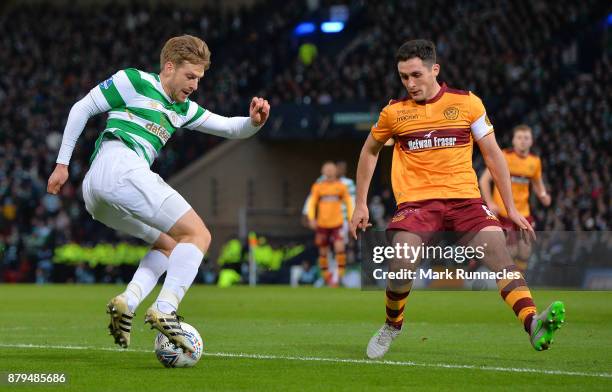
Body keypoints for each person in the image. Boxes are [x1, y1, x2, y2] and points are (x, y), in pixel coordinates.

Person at [47, 35, 270, 352]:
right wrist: (61, 163)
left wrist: (254, 122)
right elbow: (82, 108)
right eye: (190, 76)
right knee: (198, 235)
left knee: (168, 243)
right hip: (119, 167)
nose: (194, 85)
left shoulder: (182, 108)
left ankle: (128, 300)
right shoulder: (134, 80)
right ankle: (166, 309)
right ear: (169, 67)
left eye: (199, 78)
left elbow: (230, 128)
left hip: (99, 192)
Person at [349, 39, 564, 359]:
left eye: (416, 75)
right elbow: (370, 150)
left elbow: (493, 155)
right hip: (417, 204)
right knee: (401, 262)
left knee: (499, 254)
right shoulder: (394, 113)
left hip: (465, 200)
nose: (410, 83)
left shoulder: (468, 104)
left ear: (435, 69)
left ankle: (533, 323)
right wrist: (361, 203)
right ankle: (393, 324)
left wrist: (512, 208)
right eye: (404, 77)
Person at [479, 124, 551, 272]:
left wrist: (543, 195)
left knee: (525, 252)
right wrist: (490, 203)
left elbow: (537, 182)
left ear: (531, 141)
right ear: (513, 140)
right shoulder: (504, 156)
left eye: (526, 138)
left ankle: (518, 285)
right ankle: (512, 285)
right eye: (519, 137)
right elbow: (484, 180)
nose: (523, 141)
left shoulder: (535, 161)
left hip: (523, 213)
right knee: (511, 252)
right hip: (504, 213)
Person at [307, 162, 354, 285]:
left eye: (331, 169)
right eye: (326, 169)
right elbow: (311, 203)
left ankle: (339, 276)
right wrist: (311, 218)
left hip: (337, 223)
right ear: (322, 171)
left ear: (335, 171)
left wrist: (350, 219)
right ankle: (326, 277)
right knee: (323, 252)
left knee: (340, 248)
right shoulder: (318, 187)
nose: (328, 171)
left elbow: (349, 202)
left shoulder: (341, 187)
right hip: (322, 224)